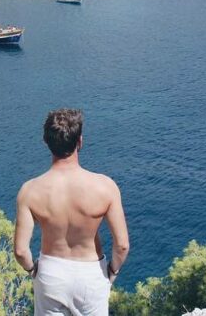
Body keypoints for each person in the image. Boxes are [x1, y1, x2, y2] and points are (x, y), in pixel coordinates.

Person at [14, 108, 129, 316]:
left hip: (51, 274)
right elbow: (121, 245)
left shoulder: (30, 191)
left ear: (46, 143)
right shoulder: (105, 187)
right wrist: (111, 272)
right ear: (80, 142)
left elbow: (21, 251)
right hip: (90, 274)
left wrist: (33, 271)